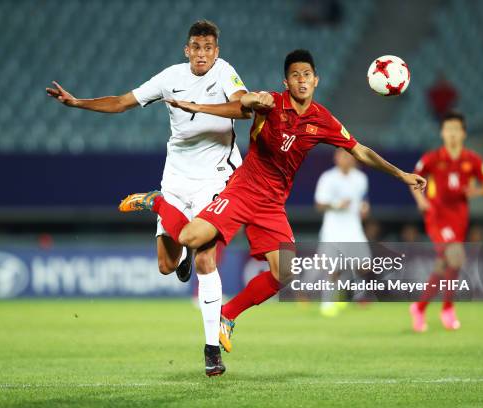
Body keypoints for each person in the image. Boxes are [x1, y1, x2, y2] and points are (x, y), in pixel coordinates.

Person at [119, 49, 426, 374]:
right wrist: (224, 103)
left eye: (307, 74)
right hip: (241, 191)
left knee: (286, 271)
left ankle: (228, 315)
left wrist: (401, 175)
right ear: (286, 81)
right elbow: (244, 103)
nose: (302, 80)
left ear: (316, 80)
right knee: (188, 238)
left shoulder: (322, 119)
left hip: (272, 205)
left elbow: (360, 150)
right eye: (295, 75)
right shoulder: (272, 104)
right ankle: (158, 200)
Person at [46, 20, 249, 376]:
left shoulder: (226, 73)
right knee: (167, 266)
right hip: (176, 179)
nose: (202, 54)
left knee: (205, 261)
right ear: (186, 50)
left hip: (216, 177)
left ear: (216, 51)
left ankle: (211, 352)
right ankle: (160, 204)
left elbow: (243, 109)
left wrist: (197, 108)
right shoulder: (169, 77)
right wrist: (77, 102)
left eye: (208, 48)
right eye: (195, 47)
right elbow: (123, 102)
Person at [409, 111, 483, 332]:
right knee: (455, 257)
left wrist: (472, 191)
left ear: (463, 133)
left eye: (456, 130)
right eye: (448, 130)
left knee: (445, 263)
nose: (452, 134)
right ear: (442, 133)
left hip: (459, 217)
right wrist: (421, 200)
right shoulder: (433, 158)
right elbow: (414, 179)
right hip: (437, 215)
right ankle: (447, 309)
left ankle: (419, 307)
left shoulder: (472, 160)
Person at [314, 148, 370, 316]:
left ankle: (343, 293)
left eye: (349, 155)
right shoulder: (328, 178)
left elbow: (363, 201)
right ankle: (327, 304)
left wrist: (365, 208)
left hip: (353, 228)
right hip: (333, 229)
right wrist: (337, 204)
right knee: (332, 269)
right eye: (342, 155)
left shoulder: (361, 178)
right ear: (336, 158)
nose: (346, 158)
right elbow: (319, 205)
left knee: (363, 264)